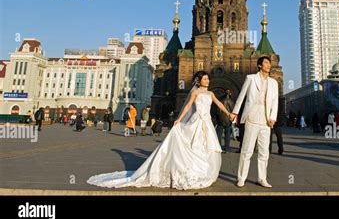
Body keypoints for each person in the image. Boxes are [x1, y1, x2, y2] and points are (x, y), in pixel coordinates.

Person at [87, 71, 235, 190]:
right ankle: (191, 171)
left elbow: (219, 105)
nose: (207, 81)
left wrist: (229, 113)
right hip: (196, 120)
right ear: (199, 81)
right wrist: (179, 119)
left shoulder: (211, 94)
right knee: (193, 145)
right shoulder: (195, 93)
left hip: (207, 122)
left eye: (208, 79)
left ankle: (204, 172)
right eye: (205, 79)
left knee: (207, 147)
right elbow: (189, 106)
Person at [232, 56, 279, 188]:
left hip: (266, 120)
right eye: (266, 63)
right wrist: (235, 113)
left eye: (269, 63)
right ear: (259, 65)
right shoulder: (250, 78)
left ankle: (262, 178)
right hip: (251, 117)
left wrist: (272, 118)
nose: (268, 65)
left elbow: (275, 102)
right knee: (247, 150)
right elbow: (241, 96)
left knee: (264, 151)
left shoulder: (273, 83)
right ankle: (241, 178)